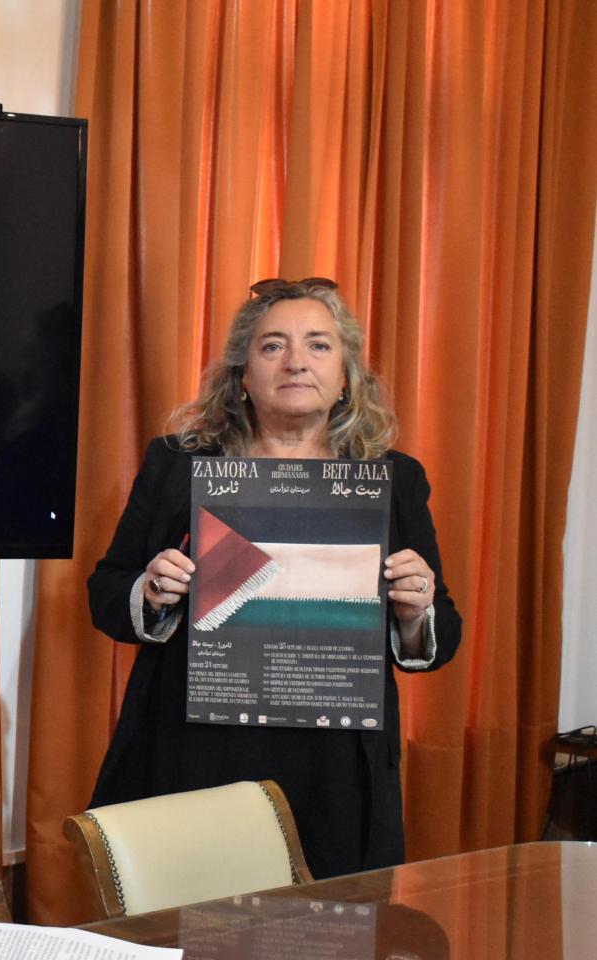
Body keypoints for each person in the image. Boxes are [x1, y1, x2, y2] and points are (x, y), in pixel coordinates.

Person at [86, 277, 460, 879]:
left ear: (346, 376)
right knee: (190, 920)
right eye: (271, 346)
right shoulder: (178, 465)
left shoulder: (393, 480)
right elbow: (105, 593)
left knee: (329, 930)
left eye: (318, 346)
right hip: (194, 746)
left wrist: (416, 614)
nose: (295, 363)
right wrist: (151, 590)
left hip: (334, 761)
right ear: (242, 375)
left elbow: (442, 631)